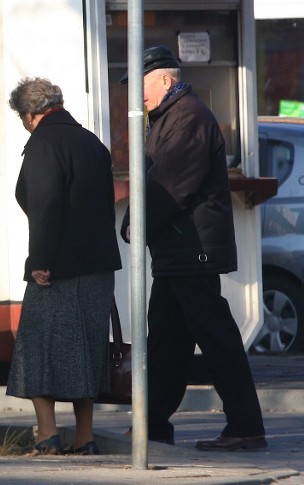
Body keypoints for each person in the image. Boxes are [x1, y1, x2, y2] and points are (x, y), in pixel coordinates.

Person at [120, 45, 267, 451]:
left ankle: (245, 425)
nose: (137, 97)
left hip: (192, 249)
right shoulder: (172, 116)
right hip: (180, 250)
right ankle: (153, 426)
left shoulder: (186, 118)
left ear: (165, 80)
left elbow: (170, 186)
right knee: (167, 342)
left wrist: (137, 225)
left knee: (215, 337)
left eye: (141, 87)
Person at [5, 77, 122, 455]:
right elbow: (105, 204)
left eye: (23, 117)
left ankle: (47, 434)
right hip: (98, 266)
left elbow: (46, 205)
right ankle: (85, 437)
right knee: (86, 349)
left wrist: (39, 261)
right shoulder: (93, 143)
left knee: (38, 348)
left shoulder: (43, 143)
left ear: (31, 114)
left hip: (57, 267)